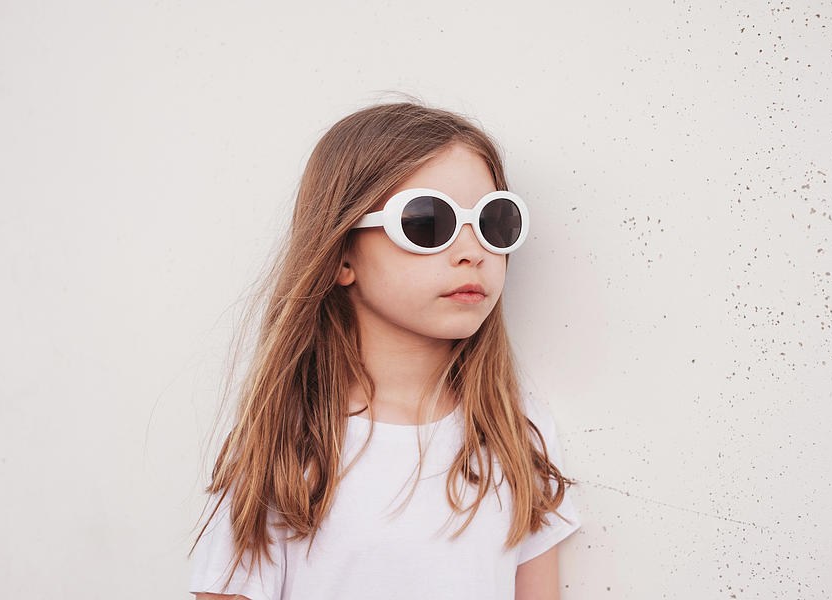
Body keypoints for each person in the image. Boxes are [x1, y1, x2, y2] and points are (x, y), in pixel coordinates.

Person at [187, 99, 582, 600]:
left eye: (493, 222)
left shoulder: (514, 427)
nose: (472, 251)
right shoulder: (285, 447)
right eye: (426, 223)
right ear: (341, 255)